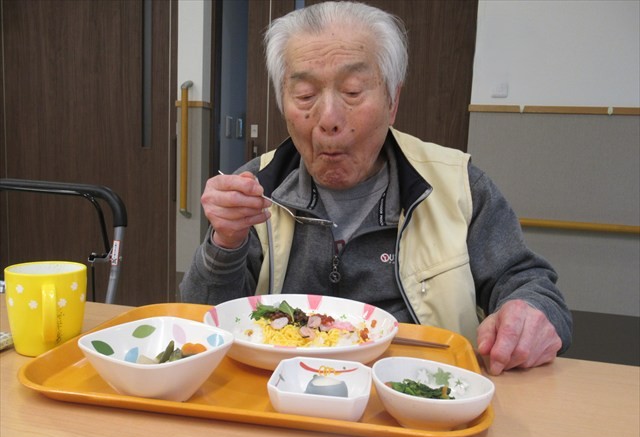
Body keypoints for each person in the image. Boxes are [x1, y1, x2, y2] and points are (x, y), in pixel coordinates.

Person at [180, 1, 572, 375]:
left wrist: (529, 313)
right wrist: (225, 242)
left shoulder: (458, 184)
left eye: (352, 91)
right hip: (283, 397)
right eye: (305, 95)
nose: (329, 119)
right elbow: (203, 325)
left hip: (419, 399)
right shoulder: (257, 187)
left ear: (392, 100)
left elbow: (529, 284)